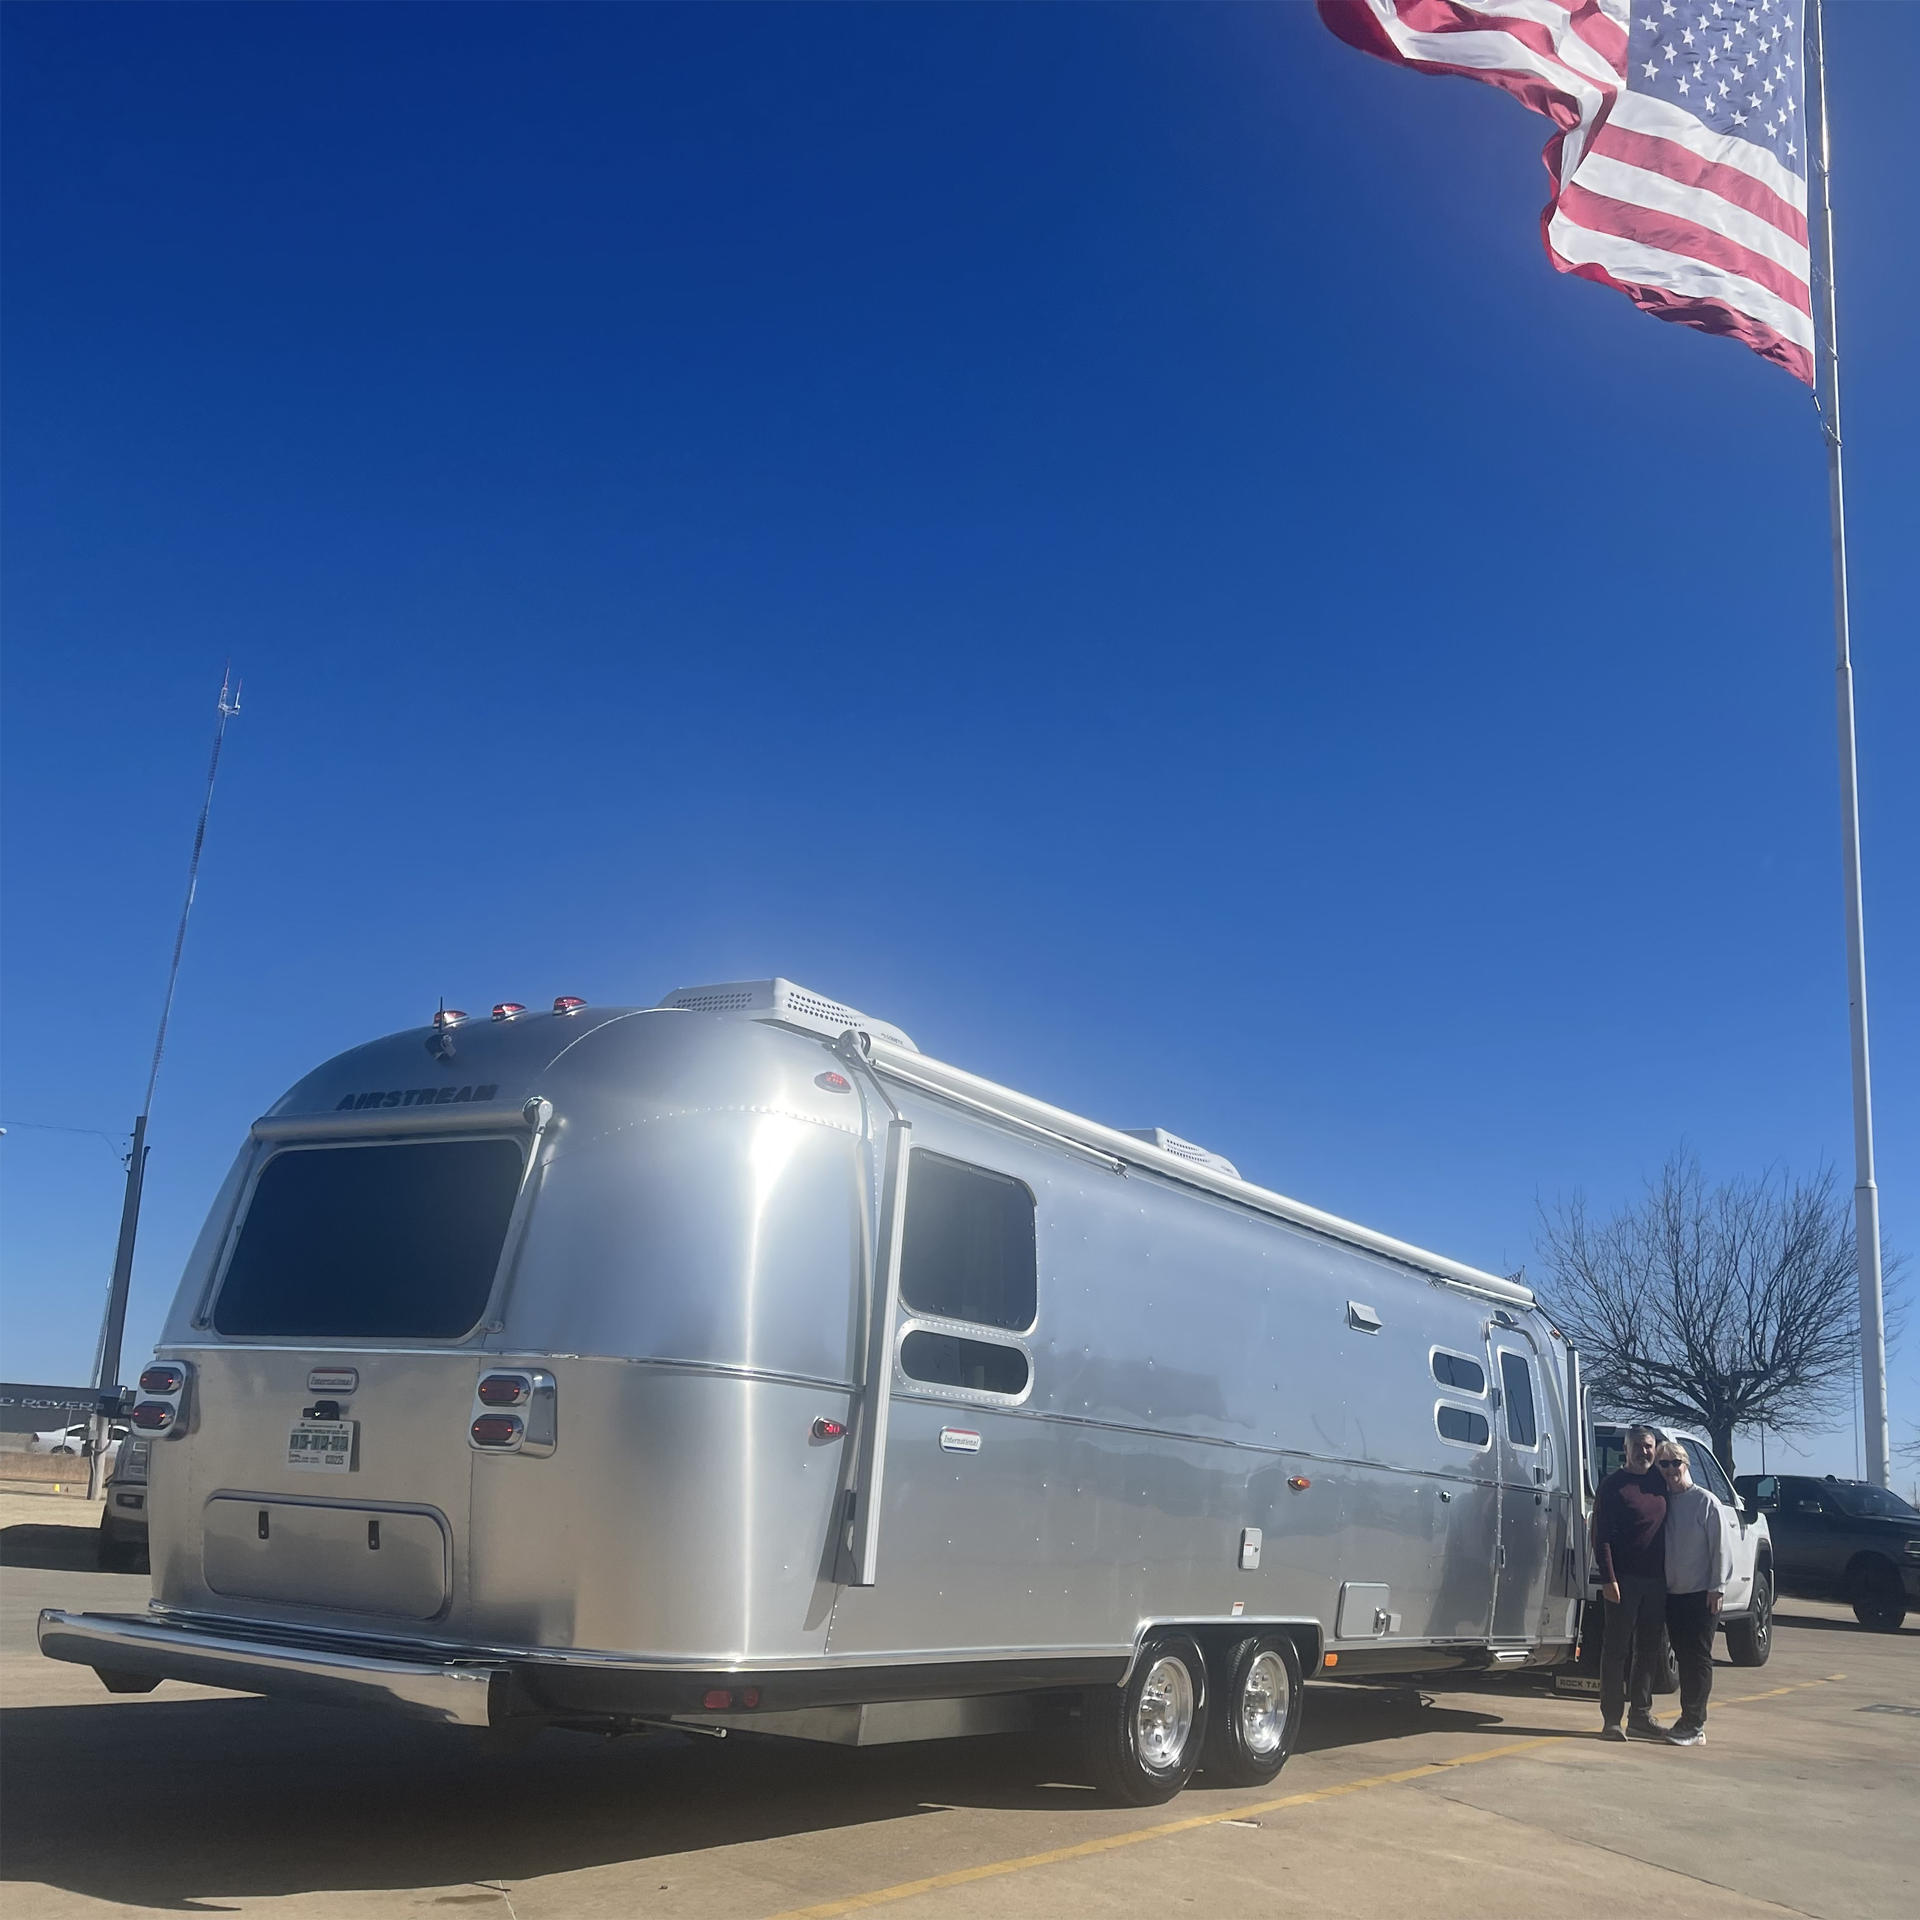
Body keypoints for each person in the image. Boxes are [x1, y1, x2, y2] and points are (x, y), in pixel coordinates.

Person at [1593, 1423, 1668, 1740]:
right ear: (1626, 1449)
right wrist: (1608, 1578)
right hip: (1622, 1581)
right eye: (1637, 1445)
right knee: (1616, 1651)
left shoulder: (1661, 1482)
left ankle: (1641, 1714)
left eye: (1649, 1445)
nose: (1644, 1451)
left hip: (1657, 1581)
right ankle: (1612, 1719)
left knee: (1649, 1649)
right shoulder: (1613, 1486)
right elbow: (1601, 1537)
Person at [1656, 1441, 1734, 1747]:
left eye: (1675, 1462)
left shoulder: (1706, 1502)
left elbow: (1721, 1549)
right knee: (1682, 1655)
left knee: (1698, 1658)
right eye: (1663, 1464)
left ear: (1686, 1464)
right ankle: (1689, 1720)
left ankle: (1694, 1722)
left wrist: (1718, 1587)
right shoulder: (1665, 1502)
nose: (1670, 1469)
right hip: (1674, 1594)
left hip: (1702, 1594)